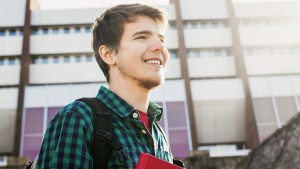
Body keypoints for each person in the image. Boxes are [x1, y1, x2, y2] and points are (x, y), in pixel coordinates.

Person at [36, 3, 182, 168]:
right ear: (108, 54)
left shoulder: (158, 133)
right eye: (142, 37)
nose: (161, 47)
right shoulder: (79, 117)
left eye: (161, 39)